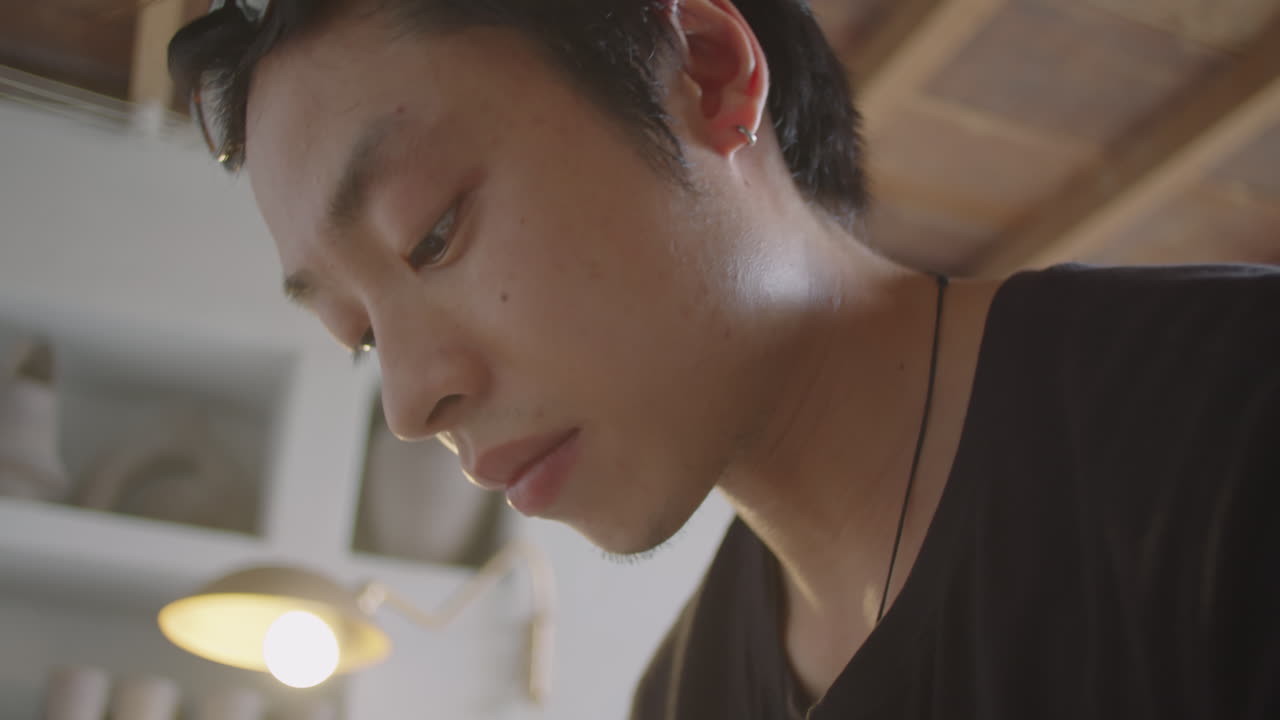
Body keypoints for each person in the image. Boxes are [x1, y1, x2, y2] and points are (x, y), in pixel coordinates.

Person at [168, 1, 1279, 717]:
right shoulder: (681, 702)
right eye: (357, 336)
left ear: (702, 70)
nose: (409, 402)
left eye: (432, 234)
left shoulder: (1228, 425)